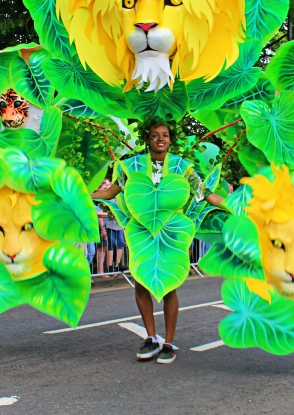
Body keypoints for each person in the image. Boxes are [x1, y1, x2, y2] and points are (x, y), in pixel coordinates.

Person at [91, 121, 223, 364]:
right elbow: (111, 193)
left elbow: (206, 195)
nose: (160, 139)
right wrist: (84, 195)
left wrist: (235, 206)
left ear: (171, 139)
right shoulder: (131, 166)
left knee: (169, 283)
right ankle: (151, 337)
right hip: (141, 231)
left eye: (165, 135)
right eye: (154, 136)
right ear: (148, 139)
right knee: (142, 282)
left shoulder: (184, 168)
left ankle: (169, 343)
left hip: (171, 232)